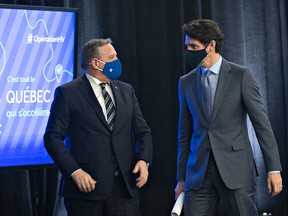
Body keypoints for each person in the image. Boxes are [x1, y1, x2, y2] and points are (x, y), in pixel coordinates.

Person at [174, 19, 283, 216]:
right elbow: (184, 134)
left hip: (236, 171)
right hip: (198, 175)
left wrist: (273, 169)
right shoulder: (185, 82)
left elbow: (262, 125)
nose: (188, 51)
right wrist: (181, 178)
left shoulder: (241, 76)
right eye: (187, 46)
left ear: (211, 45)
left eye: (193, 47)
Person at [44, 38, 153, 216]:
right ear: (95, 63)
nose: (118, 61)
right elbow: (52, 138)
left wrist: (144, 161)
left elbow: (143, 132)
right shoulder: (68, 93)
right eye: (112, 57)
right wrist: (74, 171)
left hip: (124, 188)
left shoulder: (126, 90)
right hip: (86, 190)